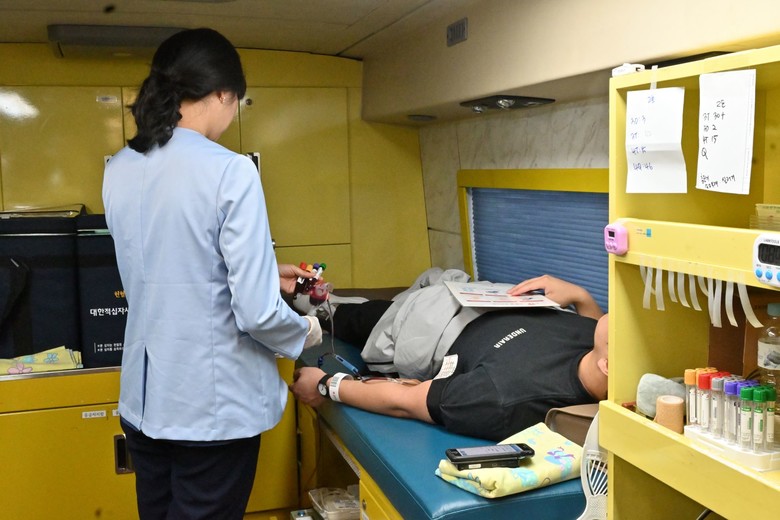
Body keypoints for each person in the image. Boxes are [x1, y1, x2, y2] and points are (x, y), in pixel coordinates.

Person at [102, 28, 322, 520]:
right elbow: (257, 314)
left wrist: (264, 270)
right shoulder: (231, 170)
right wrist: (306, 329)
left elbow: (166, 266)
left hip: (145, 399)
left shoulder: (119, 167)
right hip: (210, 410)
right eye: (236, 102)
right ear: (223, 93)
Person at [290, 274, 608, 441]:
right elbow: (597, 343)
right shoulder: (594, 342)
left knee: (352, 316)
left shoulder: (501, 397)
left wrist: (325, 385)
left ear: (607, 366)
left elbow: (407, 401)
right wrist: (580, 296)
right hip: (480, 298)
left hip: (435, 325)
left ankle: (314, 304)